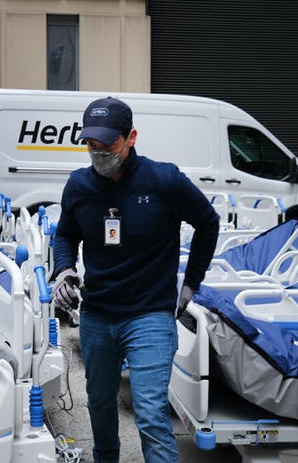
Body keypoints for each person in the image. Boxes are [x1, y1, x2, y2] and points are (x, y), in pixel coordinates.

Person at [51, 96, 220, 462]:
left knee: (150, 415)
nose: (98, 153)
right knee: (98, 402)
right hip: (97, 314)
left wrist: (190, 284)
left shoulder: (164, 181)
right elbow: (64, 234)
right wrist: (65, 269)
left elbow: (208, 222)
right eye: (91, 145)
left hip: (150, 315)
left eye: (108, 145)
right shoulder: (79, 186)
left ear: (131, 138)